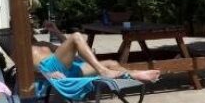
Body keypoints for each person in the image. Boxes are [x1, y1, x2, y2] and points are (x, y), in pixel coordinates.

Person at [31, 22, 160, 83]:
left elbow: (67, 48)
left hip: (70, 68)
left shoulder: (43, 43)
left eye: (30, 26)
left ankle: (135, 74)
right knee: (76, 36)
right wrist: (49, 74)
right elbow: (25, 74)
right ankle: (103, 71)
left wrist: (56, 31)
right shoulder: (25, 50)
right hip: (52, 69)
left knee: (111, 63)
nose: (30, 27)